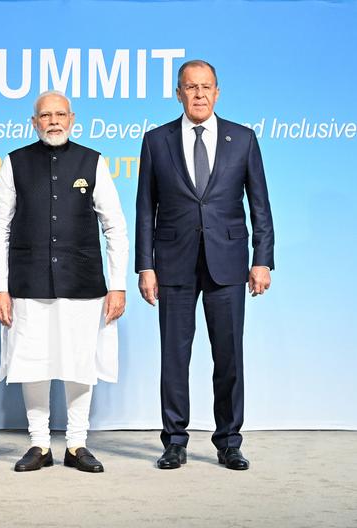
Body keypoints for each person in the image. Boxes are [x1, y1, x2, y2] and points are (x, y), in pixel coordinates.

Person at [135, 59, 275, 471]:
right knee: (174, 358)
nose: (198, 94)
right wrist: (146, 265)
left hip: (228, 263)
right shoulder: (156, 140)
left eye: (206, 87)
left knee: (229, 356)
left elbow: (260, 207)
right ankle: (174, 441)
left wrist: (262, 260)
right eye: (190, 87)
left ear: (217, 92)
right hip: (173, 263)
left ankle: (229, 441)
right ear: (178, 93)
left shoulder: (243, 139)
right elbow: (146, 208)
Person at [0, 91, 128, 473]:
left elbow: (114, 226)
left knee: (78, 362)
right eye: (45, 115)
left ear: (72, 119)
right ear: (34, 122)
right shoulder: (14, 162)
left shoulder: (92, 161)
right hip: (27, 282)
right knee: (32, 362)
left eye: (60, 114)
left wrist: (117, 285)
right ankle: (38, 444)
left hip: (82, 282)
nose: (53, 121)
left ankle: (76, 444)